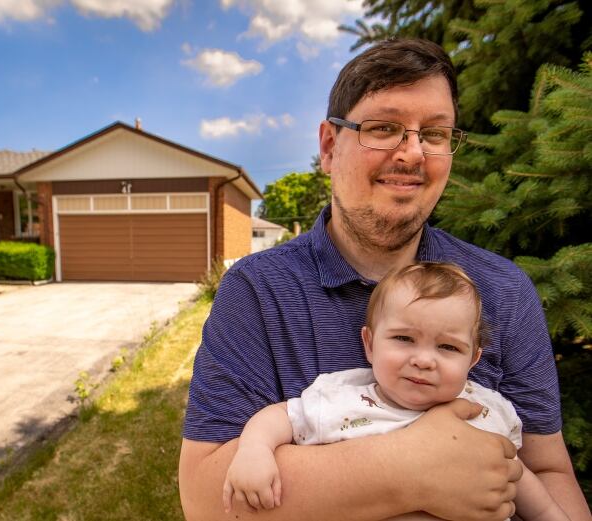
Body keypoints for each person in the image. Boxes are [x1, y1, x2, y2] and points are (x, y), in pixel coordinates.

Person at [178, 38, 591, 521]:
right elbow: (206, 500)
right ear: (330, 147)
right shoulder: (258, 290)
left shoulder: (502, 290)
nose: (413, 153)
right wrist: (409, 468)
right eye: (384, 128)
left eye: (435, 134)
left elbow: (547, 471)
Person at [222, 262, 569, 521]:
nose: (423, 360)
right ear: (370, 345)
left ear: (473, 359)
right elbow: (281, 416)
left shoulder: (486, 411)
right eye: (404, 339)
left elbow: (516, 478)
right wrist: (255, 450)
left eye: (448, 348)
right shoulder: (345, 398)